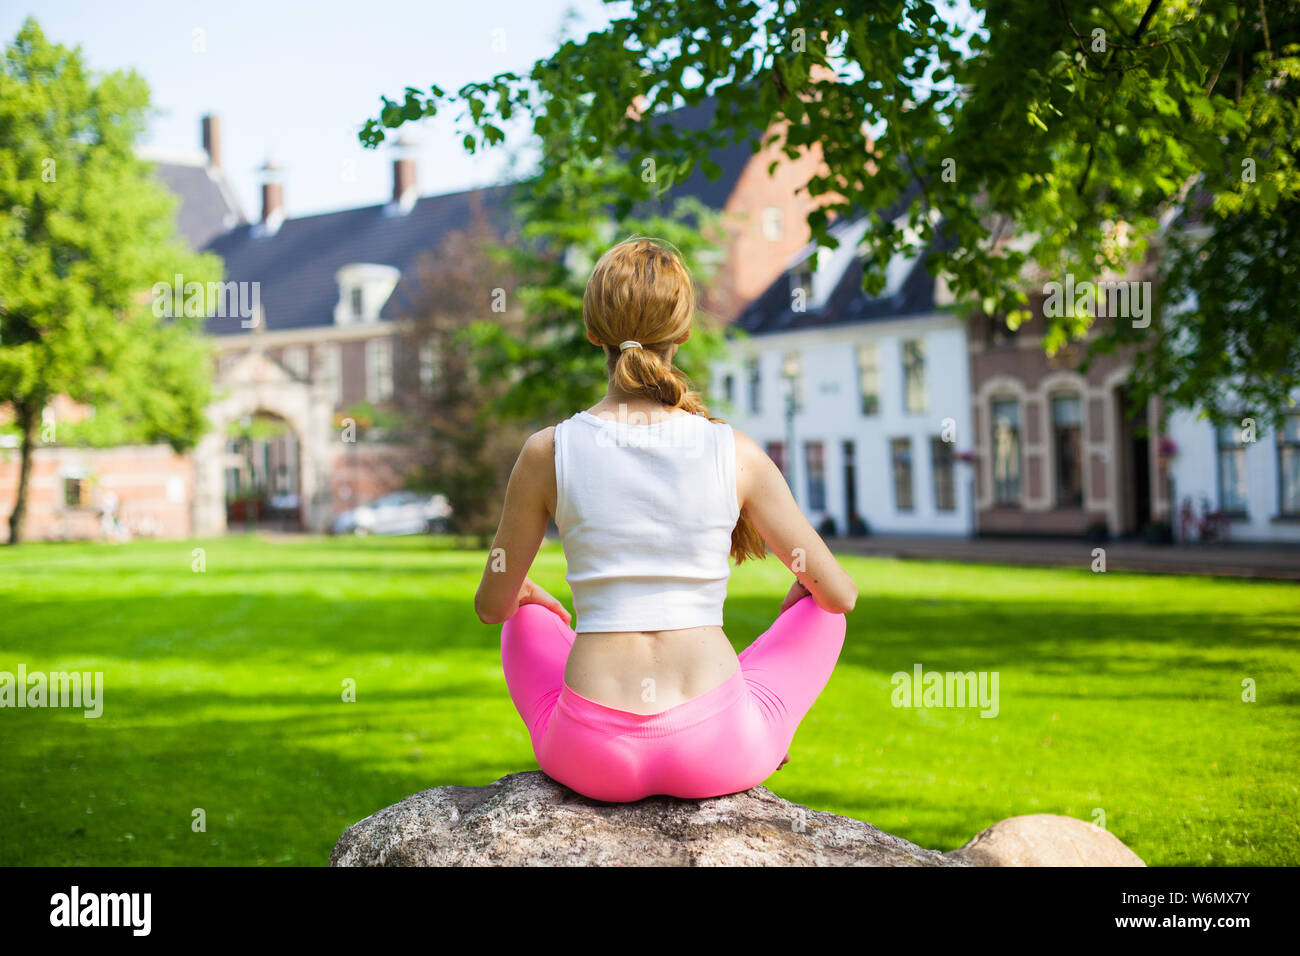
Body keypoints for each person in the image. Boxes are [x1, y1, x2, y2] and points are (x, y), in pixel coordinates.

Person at [475, 237, 858, 803]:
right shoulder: (737, 452)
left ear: (592, 333)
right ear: (682, 333)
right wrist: (803, 593)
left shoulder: (546, 452)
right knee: (824, 618)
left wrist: (527, 596)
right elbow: (840, 596)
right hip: (718, 748)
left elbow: (491, 607)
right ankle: (763, 737)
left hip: (591, 756)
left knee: (523, 622)